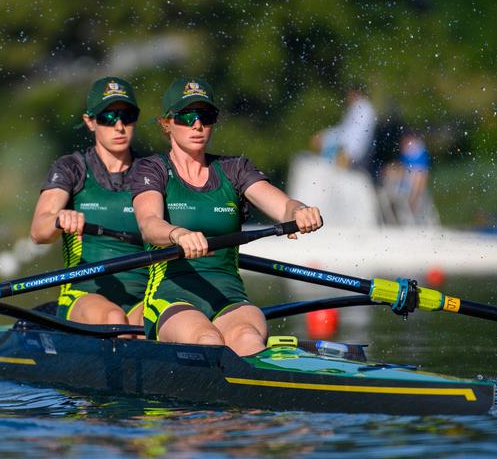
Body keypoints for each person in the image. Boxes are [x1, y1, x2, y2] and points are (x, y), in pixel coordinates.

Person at [130, 78, 322, 356]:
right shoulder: (153, 168)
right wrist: (177, 234)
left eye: (205, 117)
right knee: (207, 340)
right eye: (186, 117)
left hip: (229, 297)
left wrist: (299, 211)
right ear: (167, 123)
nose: (197, 125)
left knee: (247, 338)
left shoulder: (234, 169)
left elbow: (283, 207)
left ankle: (256, 396)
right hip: (171, 298)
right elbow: (149, 225)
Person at [30, 76, 147, 326]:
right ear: (90, 122)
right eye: (107, 117)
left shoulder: (151, 172)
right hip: (84, 293)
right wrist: (59, 220)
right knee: (114, 319)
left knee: (146, 324)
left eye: (127, 116)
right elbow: (39, 232)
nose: (119, 126)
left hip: (144, 295)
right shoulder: (72, 168)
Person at [311, 88, 377, 170]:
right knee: (318, 139)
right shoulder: (357, 107)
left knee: (318, 140)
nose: (347, 98)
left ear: (355, 93)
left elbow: (357, 134)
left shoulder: (364, 108)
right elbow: (344, 129)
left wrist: (346, 151)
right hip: (345, 144)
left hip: (350, 148)